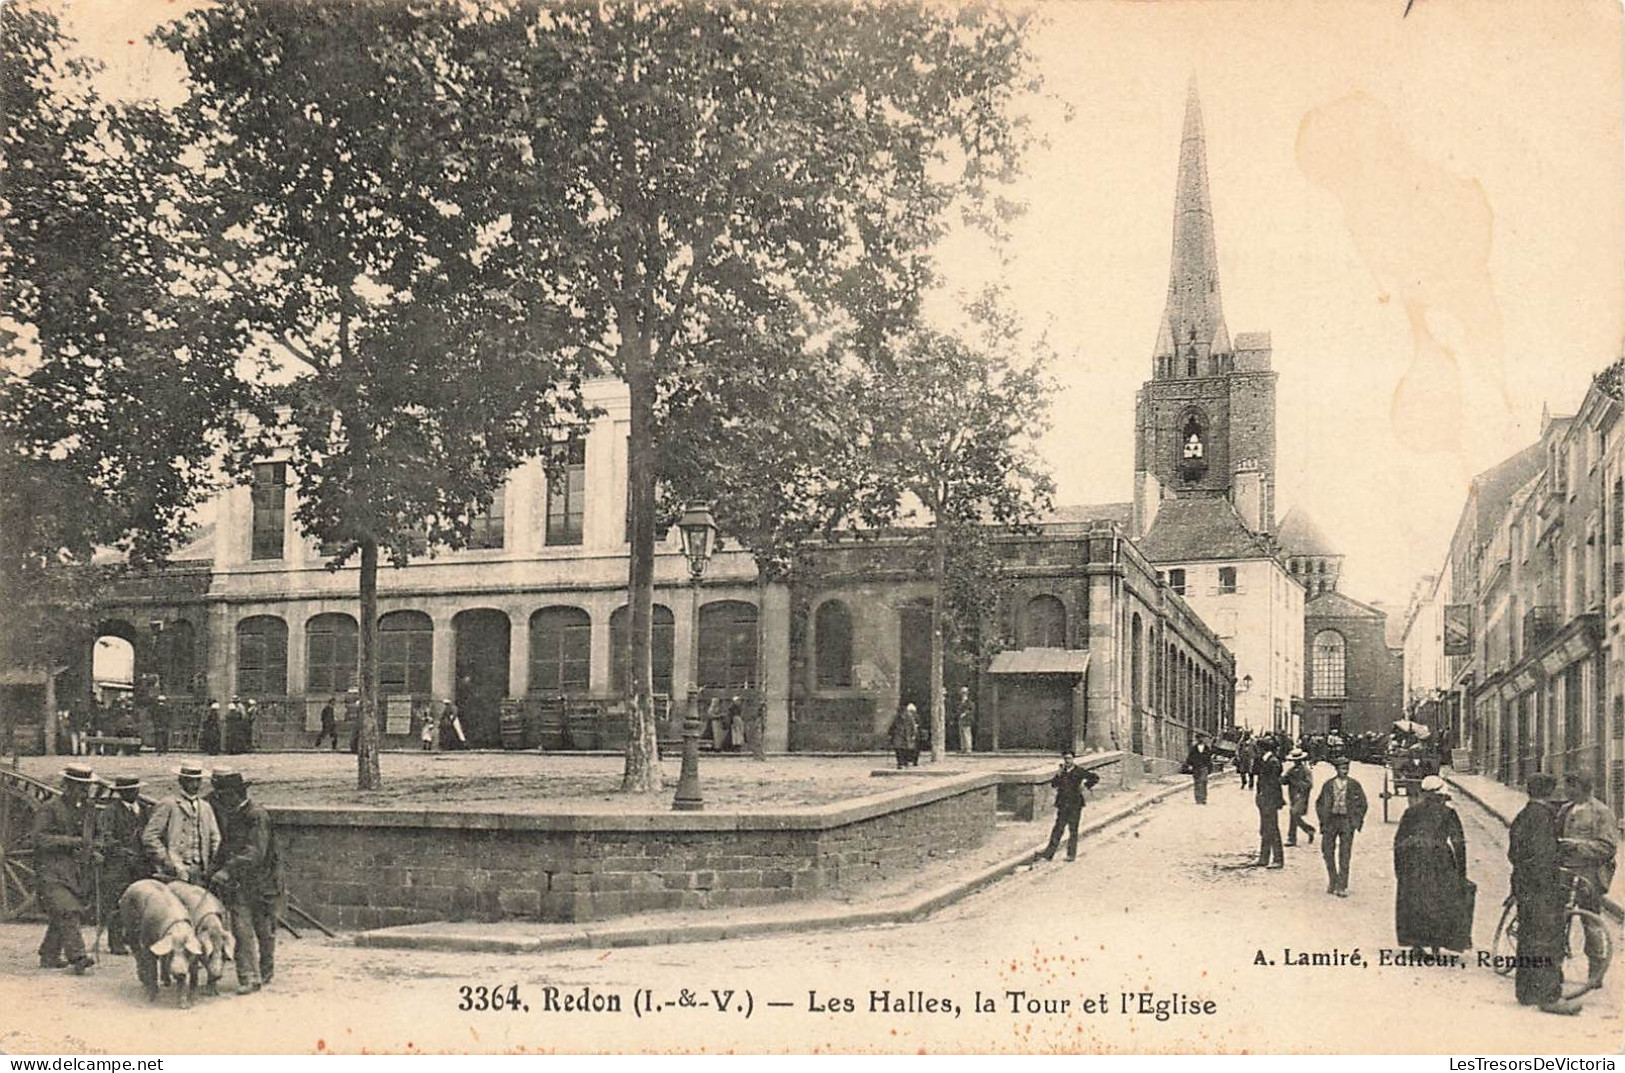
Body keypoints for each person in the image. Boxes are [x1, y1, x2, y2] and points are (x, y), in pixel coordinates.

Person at [206, 768, 285, 995]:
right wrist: (214, 869)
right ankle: (250, 977)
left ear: (235, 794)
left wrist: (227, 870)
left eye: (223, 795)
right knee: (241, 931)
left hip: (263, 885)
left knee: (264, 931)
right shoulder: (233, 814)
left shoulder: (256, 815)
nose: (219, 799)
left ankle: (266, 970)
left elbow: (255, 852)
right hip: (240, 886)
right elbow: (224, 846)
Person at [1508, 773, 1581, 1014]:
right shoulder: (1542, 818)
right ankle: (1550, 997)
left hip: (1524, 886)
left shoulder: (1524, 815)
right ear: (1549, 792)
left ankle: (1527, 991)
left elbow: (1515, 853)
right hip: (1541, 890)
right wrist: (1552, 887)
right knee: (1547, 941)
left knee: (1528, 939)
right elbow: (1542, 857)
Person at [1393, 774, 1473, 955]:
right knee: (1440, 899)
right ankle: (1436, 944)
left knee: (1414, 899)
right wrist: (1461, 873)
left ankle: (1416, 944)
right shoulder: (1448, 812)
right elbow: (1458, 842)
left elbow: (1399, 840)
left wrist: (1399, 866)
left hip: (1414, 859)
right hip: (1440, 859)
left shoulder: (1411, 811)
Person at [32, 764, 99, 973]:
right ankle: (78, 956)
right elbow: (39, 838)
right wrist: (71, 842)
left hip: (74, 872)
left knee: (61, 912)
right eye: (80, 787)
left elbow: (91, 837)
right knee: (68, 910)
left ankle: (49, 955)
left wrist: (93, 851)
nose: (84, 792)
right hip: (50, 869)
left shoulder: (87, 810)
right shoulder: (50, 808)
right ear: (67, 785)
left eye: (86, 787)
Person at [1558, 770, 1618, 993]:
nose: (1565, 791)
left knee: (1591, 922)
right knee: (1559, 919)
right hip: (1565, 872)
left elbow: (1608, 847)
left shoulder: (1602, 813)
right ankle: (1556, 967)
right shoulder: (1566, 809)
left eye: (1569, 787)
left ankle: (1596, 971)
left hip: (1589, 874)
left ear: (1582, 788)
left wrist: (1575, 845)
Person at [95, 775, 150, 955]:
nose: (133, 793)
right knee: (117, 903)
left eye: (135, 789)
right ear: (121, 792)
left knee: (140, 903)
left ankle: (134, 939)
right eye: (129, 790)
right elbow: (107, 837)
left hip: (141, 863)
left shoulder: (144, 810)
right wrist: (125, 852)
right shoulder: (110, 811)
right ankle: (115, 942)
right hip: (118, 864)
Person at [142, 763, 221, 885]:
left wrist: (214, 863)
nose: (195, 785)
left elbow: (215, 838)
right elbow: (150, 837)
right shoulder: (168, 804)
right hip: (175, 869)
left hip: (201, 869)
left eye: (198, 780)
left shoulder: (205, 807)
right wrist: (167, 861)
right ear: (181, 781)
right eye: (190, 781)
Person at [1314, 756, 1367, 895]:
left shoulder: (1354, 784)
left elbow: (1363, 803)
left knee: (1345, 853)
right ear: (1336, 769)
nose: (1345, 771)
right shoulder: (1328, 785)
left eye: (1347, 768)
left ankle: (1342, 885)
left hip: (1346, 822)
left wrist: (1356, 821)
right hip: (1331, 821)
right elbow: (1319, 803)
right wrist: (1323, 819)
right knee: (1327, 851)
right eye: (1342, 768)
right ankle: (1333, 880)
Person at [1039, 751, 1100, 862]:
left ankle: (1071, 855)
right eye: (1065, 759)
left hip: (1075, 804)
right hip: (1062, 804)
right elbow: (1054, 785)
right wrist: (1058, 775)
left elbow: (1095, 777)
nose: (1067, 761)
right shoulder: (1062, 772)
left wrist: (1085, 785)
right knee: (1058, 829)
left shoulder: (1079, 771)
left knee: (1073, 830)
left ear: (1073, 759)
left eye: (1069, 758)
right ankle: (1049, 854)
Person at [1253, 740, 1285, 868]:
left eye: (1258, 748)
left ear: (1263, 749)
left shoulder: (1273, 762)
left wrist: (1268, 799)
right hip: (1265, 799)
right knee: (1266, 828)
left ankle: (1278, 859)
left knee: (1272, 828)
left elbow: (1273, 784)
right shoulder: (1265, 760)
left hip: (1269, 800)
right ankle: (1264, 858)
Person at [1283, 749, 1316, 846]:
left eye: (1298, 760)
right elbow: (1284, 781)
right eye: (1294, 760)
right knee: (1294, 815)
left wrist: (1295, 782)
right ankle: (1307, 831)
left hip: (1302, 796)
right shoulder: (1291, 770)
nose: (1296, 762)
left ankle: (1292, 837)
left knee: (1294, 813)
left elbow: (1309, 785)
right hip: (1293, 796)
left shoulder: (1306, 771)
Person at [1183, 733, 1214, 804]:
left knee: (1203, 782)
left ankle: (1203, 798)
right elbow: (1190, 757)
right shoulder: (1193, 748)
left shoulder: (1207, 748)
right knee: (1197, 782)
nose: (1201, 740)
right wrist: (1189, 765)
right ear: (1197, 739)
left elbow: (1209, 759)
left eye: (1202, 738)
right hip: (1196, 767)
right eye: (1199, 738)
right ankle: (1198, 798)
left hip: (1204, 767)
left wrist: (1210, 768)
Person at [888, 703, 920, 769]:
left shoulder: (909, 717)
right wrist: (890, 734)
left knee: (904, 750)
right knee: (899, 750)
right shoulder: (897, 717)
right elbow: (892, 726)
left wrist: (913, 734)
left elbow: (913, 726)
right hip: (899, 735)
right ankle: (900, 763)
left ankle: (904, 762)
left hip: (905, 736)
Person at [956, 686, 975, 754]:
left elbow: (971, 710)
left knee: (967, 734)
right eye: (962, 693)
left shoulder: (969, 702)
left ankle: (968, 748)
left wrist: (964, 714)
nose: (963, 694)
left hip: (967, 720)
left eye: (964, 693)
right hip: (961, 720)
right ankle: (963, 748)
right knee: (961, 734)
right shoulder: (960, 702)